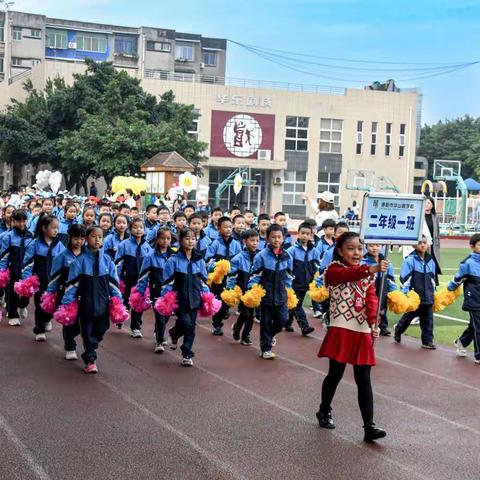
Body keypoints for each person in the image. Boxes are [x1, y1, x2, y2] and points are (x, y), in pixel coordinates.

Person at [316, 231, 388, 442]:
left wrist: (374, 322)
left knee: (364, 379)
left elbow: (371, 299)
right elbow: (348, 276)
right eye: (351, 248)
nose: (357, 253)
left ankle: (369, 427)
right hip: (341, 328)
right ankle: (324, 410)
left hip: (362, 330)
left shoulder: (367, 274)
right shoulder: (334, 270)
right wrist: (371, 268)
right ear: (339, 251)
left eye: (359, 248)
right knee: (335, 374)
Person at [61, 225, 123, 374]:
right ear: (87, 239)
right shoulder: (79, 261)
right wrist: (67, 303)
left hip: (103, 302)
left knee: (102, 328)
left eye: (100, 237)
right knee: (87, 332)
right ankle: (90, 359)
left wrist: (118, 300)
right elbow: (71, 285)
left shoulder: (108, 260)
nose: (97, 240)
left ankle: (91, 346)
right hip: (85, 303)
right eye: (93, 236)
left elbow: (114, 283)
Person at [163, 228, 210, 367]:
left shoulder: (199, 260)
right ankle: (186, 353)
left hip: (195, 299)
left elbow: (203, 280)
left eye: (193, 239)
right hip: (180, 299)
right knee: (188, 324)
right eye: (187, 238)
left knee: (190, 326)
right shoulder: (174, 260)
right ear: (181, 240)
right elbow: (167, 281)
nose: (191, 241)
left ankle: (175, 334)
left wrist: (207, 296)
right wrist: (166, 298)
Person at [249, 224, 293, 359]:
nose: (276, 240)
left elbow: (289, 276)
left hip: (281, 295)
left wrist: (289, 289)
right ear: (267, 238)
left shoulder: (287, 256)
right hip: (266, 295)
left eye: (279, 237)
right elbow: (254, 276)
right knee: (265, 322)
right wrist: (252, 291)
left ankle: (271, 335)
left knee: (283, 320)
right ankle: (266, 348)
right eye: (273, 237)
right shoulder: (261, 256)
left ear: (283, 238)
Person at [21, 214, 66, 341]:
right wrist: (27, 280)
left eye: (57, 228)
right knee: (40, 304)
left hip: (54, 281)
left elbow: (65, 261)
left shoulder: (59, 245)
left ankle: (47, 319)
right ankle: (39, 329)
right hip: (39, 280)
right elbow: (28, 263)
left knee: (53, 304)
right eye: (53, 227)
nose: (56, 230)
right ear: (44, 228)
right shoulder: (34, 243)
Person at [46, 224, 86, 360]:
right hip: (67, 293)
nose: (79, 242)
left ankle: (75, 339)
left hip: (84, 293)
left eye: (82, 238)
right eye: (76, 238)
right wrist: (50, 293)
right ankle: (70, 346)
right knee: (69, 320)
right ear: (69, 238)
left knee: (83, 322)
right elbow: (54, 276)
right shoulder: (62, 256)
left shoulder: (88, 254)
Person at [136, 227, 175, 353]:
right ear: (157, 239)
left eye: (168, 238)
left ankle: (159, 330)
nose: (165, 241)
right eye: (162, 238)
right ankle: (159, 341)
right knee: (160, 316)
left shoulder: (174, 256)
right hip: (156, 290)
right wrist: (140, 292)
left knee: (167, 315)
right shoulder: (150, 256)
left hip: (170, 292)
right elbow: (143, 275)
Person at [394, 236, 437, 349]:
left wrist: (434, 293)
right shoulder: (410, 260)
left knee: (428, 321)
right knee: (408, 318)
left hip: (428, 296)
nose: (422, 245)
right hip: (415, 297)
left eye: (424, 243)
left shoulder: (431, 261)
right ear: (413, 245)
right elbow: (405, 279)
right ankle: (398, 331)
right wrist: (406, 294)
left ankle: (427, 341)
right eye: (419, 243)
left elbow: (433, 279)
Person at [115, 217, 153, 337]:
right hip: (127, 279)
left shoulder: (147, 247)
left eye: (141, 227)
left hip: (141, 280)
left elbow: (150, 265)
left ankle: (136, 327)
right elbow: (118, 264)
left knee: (138, 303)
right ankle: (121, 316)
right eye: (135, 227)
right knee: (125, 300)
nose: (138, 230)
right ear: (130, 229)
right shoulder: (124, 245)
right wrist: (118, 279)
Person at [205, 216, 242, 336]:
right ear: (219, 228)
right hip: (218, 278)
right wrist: (215, 266)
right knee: (218, 299)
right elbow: (208, 258)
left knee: (227, 300)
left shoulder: (236, 244)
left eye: (230, 227)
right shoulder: (215, 243)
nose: (228, 229)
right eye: (225, 227)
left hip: (231, 277)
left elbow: (240, 258)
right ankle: (217, 325)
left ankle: (224, 310)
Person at [448, 233, 480, 364]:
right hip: (473, 298)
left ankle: (461, 342)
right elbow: (457, 279)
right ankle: (478, 355)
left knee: (474, 326)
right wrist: (448, 290)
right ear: (472, 246)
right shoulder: (467, 263)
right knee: (479, 327)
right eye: (479, 244)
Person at [0, 209, 33, 326]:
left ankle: (23, 305)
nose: (22, 223)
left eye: (24, 220)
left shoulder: (32, 236)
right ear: (13, 221)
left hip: (28, 270)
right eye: (18, 221)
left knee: (27, 294)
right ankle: (13, 314)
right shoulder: (8, 237)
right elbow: (4, 256)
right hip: (13, 269)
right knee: (12, 292)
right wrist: (2, 271)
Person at [285, 222, 319, 336]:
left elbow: (317, 267)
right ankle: (304, 326)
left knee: (295, 303)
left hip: (306, 283)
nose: (305, 236)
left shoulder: (314, 251)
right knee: (297, 304)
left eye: (307, 234)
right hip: (294, 282)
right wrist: (288, 280)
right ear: (298, 234)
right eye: (302, 233)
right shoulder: (292, 250)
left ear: (311, 235)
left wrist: (316, 280)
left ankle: (287, 322)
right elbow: (287, 266)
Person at [228, 229, 259, 346]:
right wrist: (230, 289)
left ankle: (241, 330)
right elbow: (232, 275)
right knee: (247, 314)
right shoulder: (238, 258)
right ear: (245, 241)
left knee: (250, 314)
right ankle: (244, 334)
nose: (255, 243)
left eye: (257, 240)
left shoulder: (260, 256)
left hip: (255, 292)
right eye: (252, 240)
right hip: (241, 290)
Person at [363, 244, 397, 336]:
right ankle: (369, 324)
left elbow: (391, 279)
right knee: (369, 305)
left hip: (382, 286)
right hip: (369, 287)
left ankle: (382, 326)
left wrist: (394, 292)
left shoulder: (387, 263)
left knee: (382, 306)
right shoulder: (363, 262)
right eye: (371, 246)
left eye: (377, 246)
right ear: (366, 247)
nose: (374, 248)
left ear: (382, 247)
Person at [424, 196, 442, 285]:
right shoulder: (420, 215)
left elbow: (437, 232)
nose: (427, 205)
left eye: (429, 203)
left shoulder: (435, 217)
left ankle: (433, 284)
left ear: (432, 205)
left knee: (433, 264)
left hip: (433, 245)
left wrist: (438, 244)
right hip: (423, 244)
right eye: (426, 203)